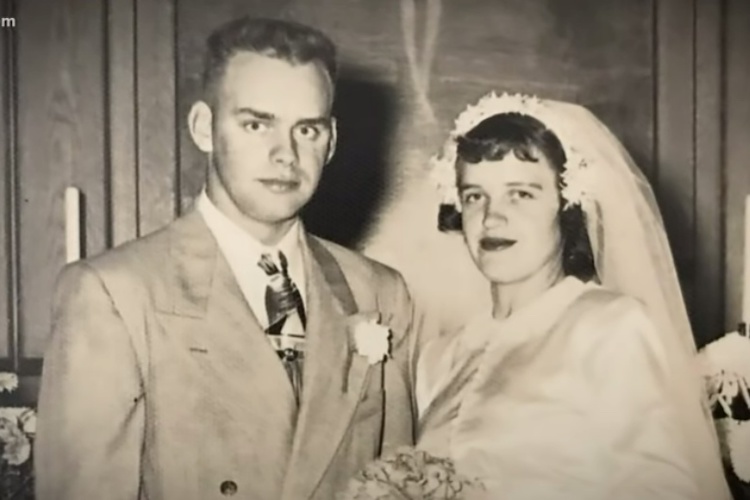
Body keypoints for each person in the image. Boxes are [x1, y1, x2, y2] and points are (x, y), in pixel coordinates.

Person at [35, 17, 419, 500]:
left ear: (333, 141)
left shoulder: (379, 293)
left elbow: (397, 485)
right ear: (204, 128)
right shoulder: (115, 294)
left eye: (308, 130)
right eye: (257, 124)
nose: (286, 154)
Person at [415, 92, 733, 499]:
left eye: (521, 194)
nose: (491, 217)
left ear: (566, 207)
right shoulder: (437, 360)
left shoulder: (612, 328)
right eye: (475, 195)